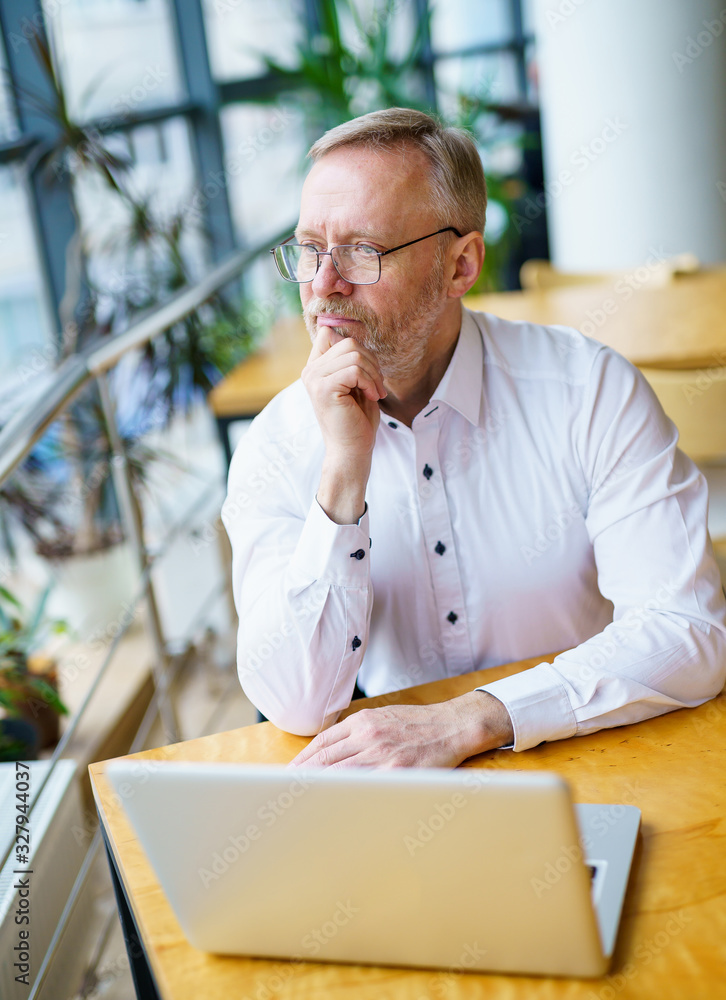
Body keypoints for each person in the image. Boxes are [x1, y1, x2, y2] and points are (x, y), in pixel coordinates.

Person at [221, 108, 726, 769]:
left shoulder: (586, 390)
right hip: (397, 783)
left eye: (362, 253)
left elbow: (687, 629)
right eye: (310, 249)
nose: (322, 286)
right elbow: (294, 703)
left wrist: (476, 718)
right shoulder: (277, 445)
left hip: (591, 748)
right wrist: (342, 476)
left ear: (460, 266)